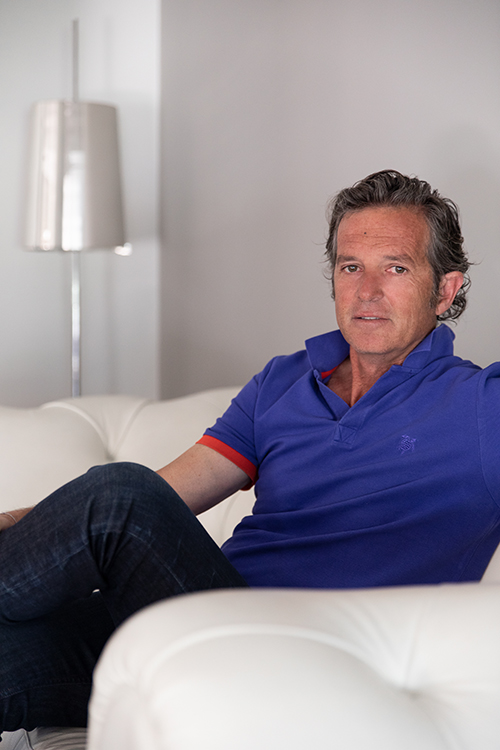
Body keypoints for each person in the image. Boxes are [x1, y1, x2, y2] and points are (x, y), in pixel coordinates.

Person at [1, 169, 500, 733]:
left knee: (123, 491)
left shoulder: (482, 404)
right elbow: (163, 497)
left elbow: (123, 503)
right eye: (350, 267)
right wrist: (15, 522)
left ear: (445, 291)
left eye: (396, 268)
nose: (367, 291)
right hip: (199, 627)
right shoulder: (283, 381)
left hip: (316, 668)